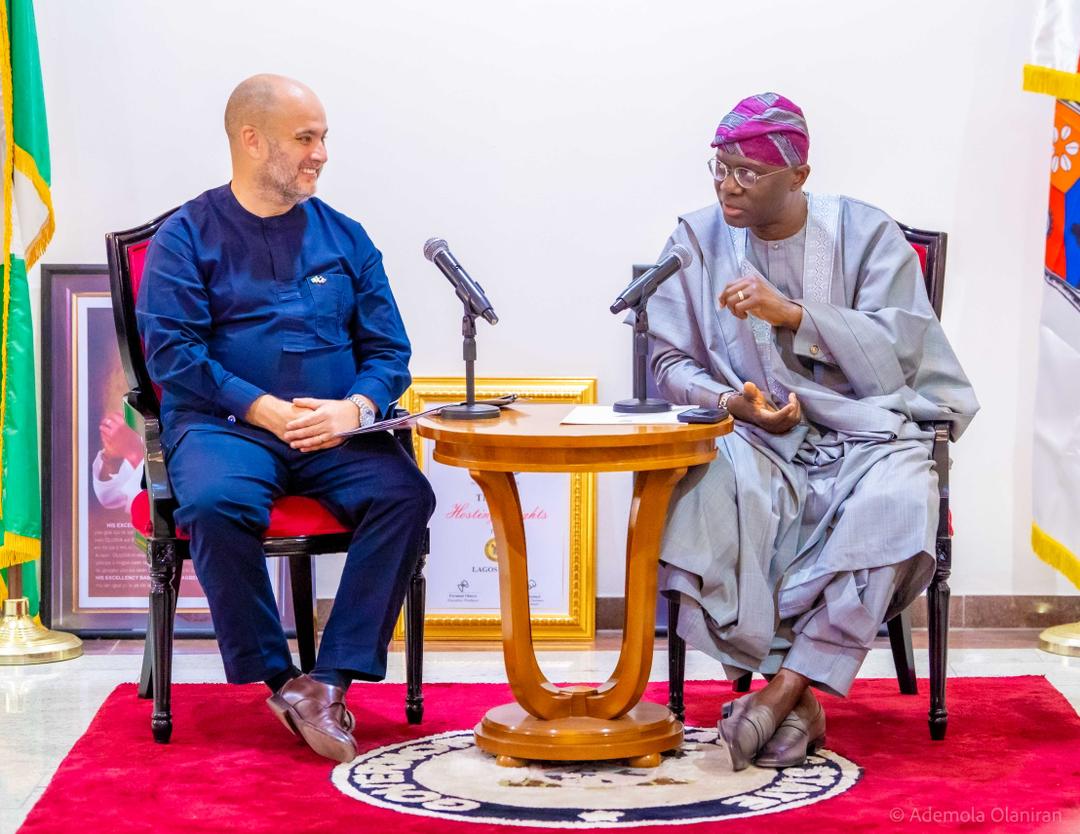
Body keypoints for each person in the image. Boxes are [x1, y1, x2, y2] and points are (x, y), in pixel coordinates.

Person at [647, 92, 979, 771]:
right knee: (701, 493)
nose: (727, 184)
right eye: (720, 167)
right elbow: (669, 362)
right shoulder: (696, 241)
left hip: (869, 433)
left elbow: (903, 350)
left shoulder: (866, 234)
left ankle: (778, 695)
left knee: (901, 502)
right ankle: (799, 701)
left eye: (747, 172)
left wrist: (796, 315)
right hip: (754, 438)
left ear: (798, 176)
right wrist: (735, 403)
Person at [136, 74, 435, 763]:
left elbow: (389, 352)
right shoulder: (186, 237)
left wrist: (355, 408)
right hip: (226, 424)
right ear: (251, 140)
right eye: (305, 138)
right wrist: (261, 407)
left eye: (323, 137)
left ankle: (329, 681)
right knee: (214, 504)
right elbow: (174, 354)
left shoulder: (346, 237)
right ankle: (281, 678)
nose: (321, 153)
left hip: (333, 429)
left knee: (405, 495)